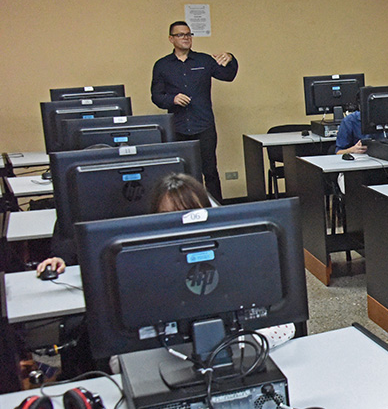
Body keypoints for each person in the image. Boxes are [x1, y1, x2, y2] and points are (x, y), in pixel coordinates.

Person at [36, 173, 210, 276]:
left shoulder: (223, 247)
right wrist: (62, 259)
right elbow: (97, 249)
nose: (178, 221)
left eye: (187, 213)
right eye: (168, 216)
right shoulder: (142, 249)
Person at [150, 20, 238, 203]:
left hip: (203, 125)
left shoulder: (204, 60)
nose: (186, 38)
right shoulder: (162, 65)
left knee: (210, 171)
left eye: (189, 34)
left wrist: (230, 57)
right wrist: (171, 99)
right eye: (181, 35)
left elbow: (228, 76)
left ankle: (217, 211)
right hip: (178, 127)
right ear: (171, 39)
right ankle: (184, 209)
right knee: (181, 174)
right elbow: (156, 96)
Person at [334, 90, 368, 156]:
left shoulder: (387, 120)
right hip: (359, 161)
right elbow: (338, 152)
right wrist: (352, 150)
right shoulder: (349, 121)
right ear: (360, 106)